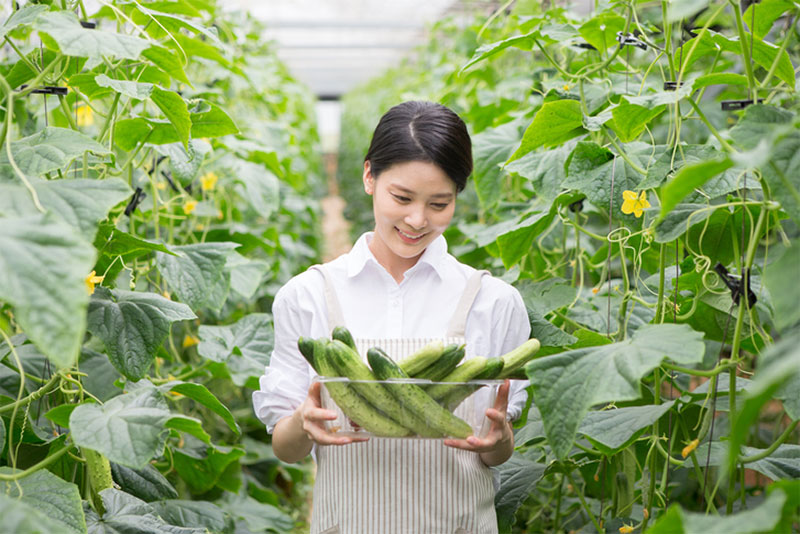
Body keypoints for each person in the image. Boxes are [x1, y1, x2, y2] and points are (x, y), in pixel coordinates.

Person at [253, 101, 531, 534]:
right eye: (401, 198)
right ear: (369, 177)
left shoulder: (494, 302)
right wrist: (302, 424)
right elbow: (285, 450)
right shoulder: (306, 296)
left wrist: (500, 441)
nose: (417, 220)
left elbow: (496, 453)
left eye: (439, 204)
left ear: (458, 197)